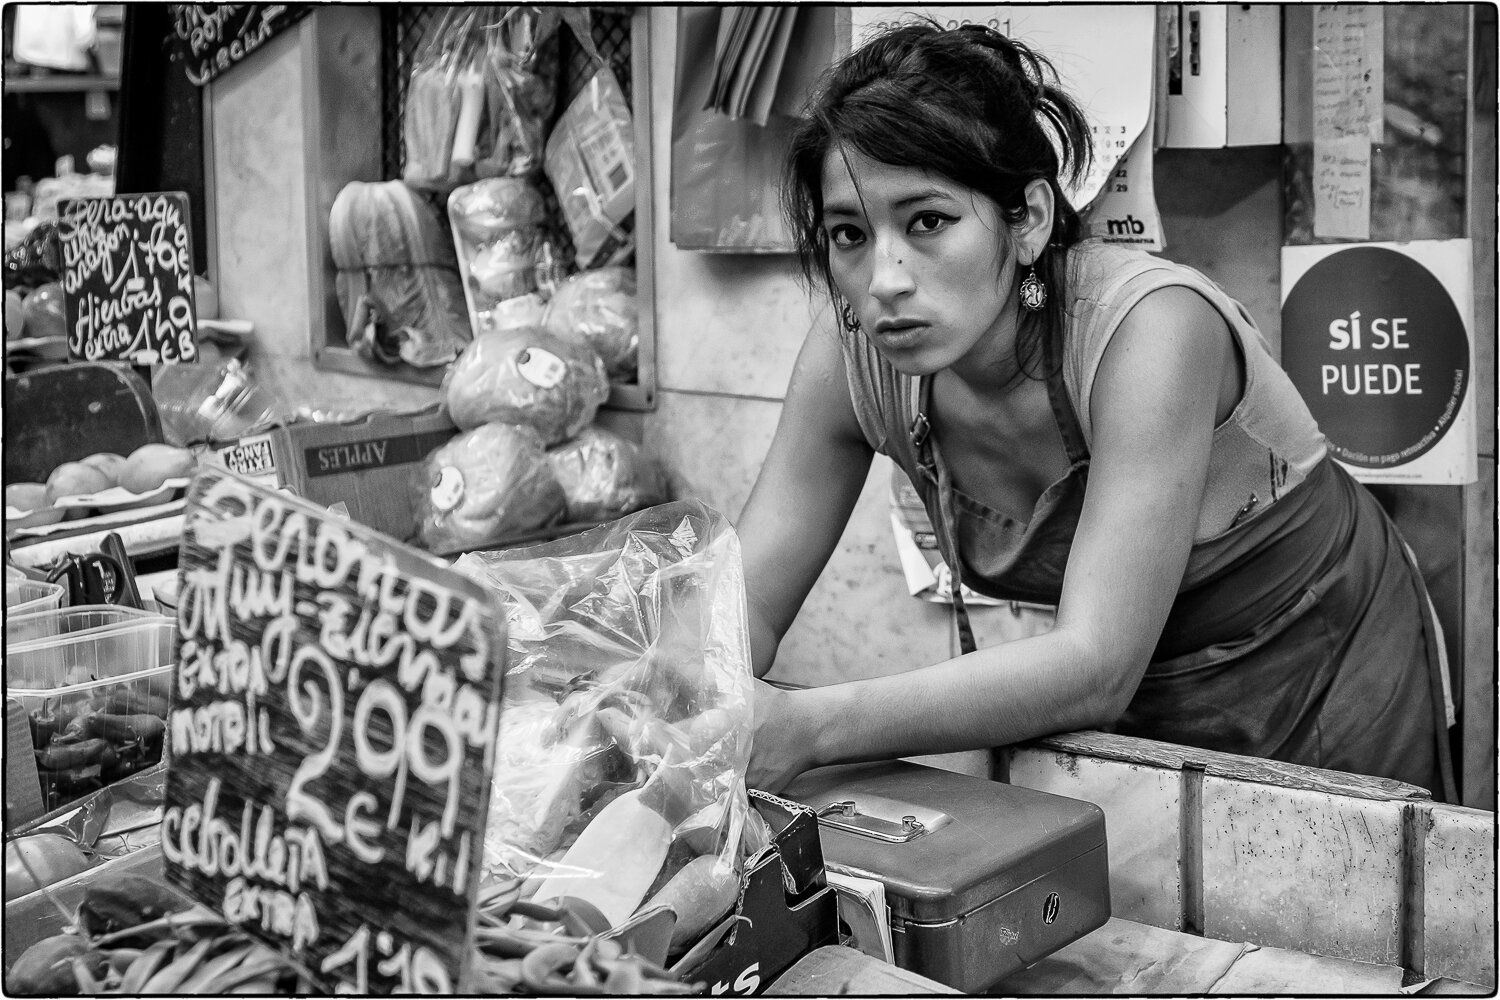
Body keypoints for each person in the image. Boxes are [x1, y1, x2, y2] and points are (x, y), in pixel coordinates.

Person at [737, 20, 1455, 802]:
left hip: (1324, 666)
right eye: (849, 234)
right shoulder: (852, 357)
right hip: (1142, 698)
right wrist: (656, 689)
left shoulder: (1152, 331)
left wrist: (808, 727)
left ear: (1029, 220)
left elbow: (1095, 665)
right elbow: (742, 604)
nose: (885, 279)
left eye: (927, 222)